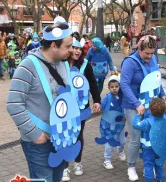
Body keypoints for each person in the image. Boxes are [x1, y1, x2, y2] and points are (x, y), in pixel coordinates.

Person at [6, 16, 74, 182]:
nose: (72, 50)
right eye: (68, 46)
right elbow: (13, 104)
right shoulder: (27, 66)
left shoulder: (64, 63)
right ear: (53, 45)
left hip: (60, 138)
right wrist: (35, 134)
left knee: (56, 178)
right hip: (38, 142)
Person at [120, 35, 166, 181]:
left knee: (152, 135)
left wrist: (163, 94)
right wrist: (136, 104)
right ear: (139, 49)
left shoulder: (152, 59)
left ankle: (150, 163)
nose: (150, 56)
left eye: (152, 53)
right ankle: (131, 166)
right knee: (136, 137)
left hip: (150, 104)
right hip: (133, 105)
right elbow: (124, 84)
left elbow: (155, 78)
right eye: (146, 53)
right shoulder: (130, 63)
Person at [61, 38, 101, 181]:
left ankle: (77, 163)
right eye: (74, 48)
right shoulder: (61, 64)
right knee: (66, 136)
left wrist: (97, 100)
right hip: (64, 108)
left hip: (81, 108)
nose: (77, 51)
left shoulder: (85, 65)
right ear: (69, 48)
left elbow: (92, 83)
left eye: (80, 49)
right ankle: (65, 167)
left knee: (77, 135)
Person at [133, 98, 166, 182]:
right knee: (159, 164)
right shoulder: (164, 119)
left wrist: (138, 115)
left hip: (149, 148)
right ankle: (160, 179)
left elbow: (135, 125)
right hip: (160, 148)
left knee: (148, 165)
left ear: (150, 110)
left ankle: (149, 180)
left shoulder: (146, 122)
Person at [100, 75, 126, 170]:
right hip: (109, 125)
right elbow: (101, 106)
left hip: (120, 125)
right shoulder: (107, 98)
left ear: (119, 86)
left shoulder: (123, 97)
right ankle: (107, 160)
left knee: (122, 141)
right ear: (109, 88)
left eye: (116, 86)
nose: (114, 88)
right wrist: (98, 107)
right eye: (112, 87)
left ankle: (121, 150)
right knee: (109, 143)